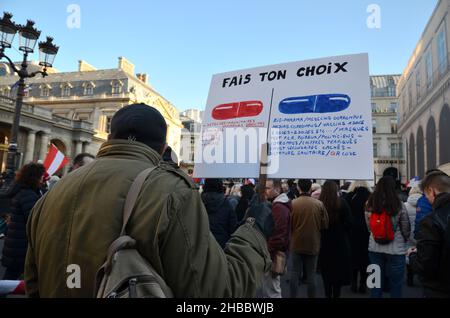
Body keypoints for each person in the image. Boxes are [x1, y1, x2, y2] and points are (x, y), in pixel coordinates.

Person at [24, 104, 273, 298]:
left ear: (111, 137)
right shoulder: (172, 190)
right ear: (163, 147)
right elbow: (215, 291)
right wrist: (254, 231)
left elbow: (34, 284)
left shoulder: (51, 193)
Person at [365, 176, 411, 298]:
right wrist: (405, 240)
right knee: (396, 284)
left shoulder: (369, 203)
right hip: (396, 249)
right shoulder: (399, 204)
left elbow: (369, 227)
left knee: (375, 284)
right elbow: (405, 226)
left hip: (374, 248)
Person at [2, 163, 46, 280]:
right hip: (21, 244)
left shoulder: (23, 191)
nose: (43, 179)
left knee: (12, 276)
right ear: (34, 177)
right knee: (12, 278)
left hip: (16, 242)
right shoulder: (28, 195)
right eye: (41, 176)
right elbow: (34, 218)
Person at [409, 172, 450, 298]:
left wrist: (413, 255)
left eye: (426, 196)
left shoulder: (431, 220)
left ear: (431, 191)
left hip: (439, 289)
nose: (427, 200)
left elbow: (425, 266)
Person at [289, 179, 329, 298]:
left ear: (299, 188)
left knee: (294, 273)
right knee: (311, 276)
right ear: (310, 187)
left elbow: (288, 224)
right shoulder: (318, 204)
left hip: (296, 242)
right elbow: (325, 224)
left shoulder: (292, 204)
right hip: (313, 242)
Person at [318, 180, 352, 298]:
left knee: (326, 273)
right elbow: (349, 223)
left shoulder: (319, 204)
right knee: (338, 273)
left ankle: (327, 294)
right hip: (340, 242)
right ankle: (336, 295)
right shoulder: (342, 203)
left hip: (324, 242)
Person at [261, 179, 292, 298]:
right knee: (271, 289)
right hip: (274, 252)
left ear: (277, 189)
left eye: (268, 188)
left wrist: (266, 250)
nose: (265, 191)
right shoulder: (279, 205)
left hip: (273, 254)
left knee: (272, 290)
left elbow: (279, 235)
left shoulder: (279, 207)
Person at [345, 181, 372, 294]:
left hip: (352, 231)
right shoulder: (370, 197)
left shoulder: (349, 196)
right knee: (365, 257)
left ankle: (353, 283)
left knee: (353, 257)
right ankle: (363, 283)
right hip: (367, 230)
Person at [201, 179, 237, 249]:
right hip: (221, 244)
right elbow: (232, 226)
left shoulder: (198, 201)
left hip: (201, 243)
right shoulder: (226, 203)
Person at [404, 186, 421, 286]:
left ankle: (409, 277)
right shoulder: (426, 204)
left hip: (408, 234)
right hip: (421, 234)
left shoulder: (405, 205)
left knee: (409, 254)